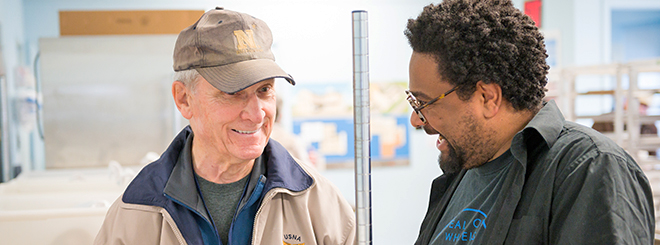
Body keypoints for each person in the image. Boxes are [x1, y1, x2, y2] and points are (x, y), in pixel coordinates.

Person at [95, 7, 356, 245]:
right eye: (234, 92)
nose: (256, 114)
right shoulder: (136, 212)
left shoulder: (318, 203)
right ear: (184, 99)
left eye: (265, 90)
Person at [403, 0, 655, 244]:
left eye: (424, 103)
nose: (416, 119)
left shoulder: (590, 169)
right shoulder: (465, 169)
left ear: (488, 98)